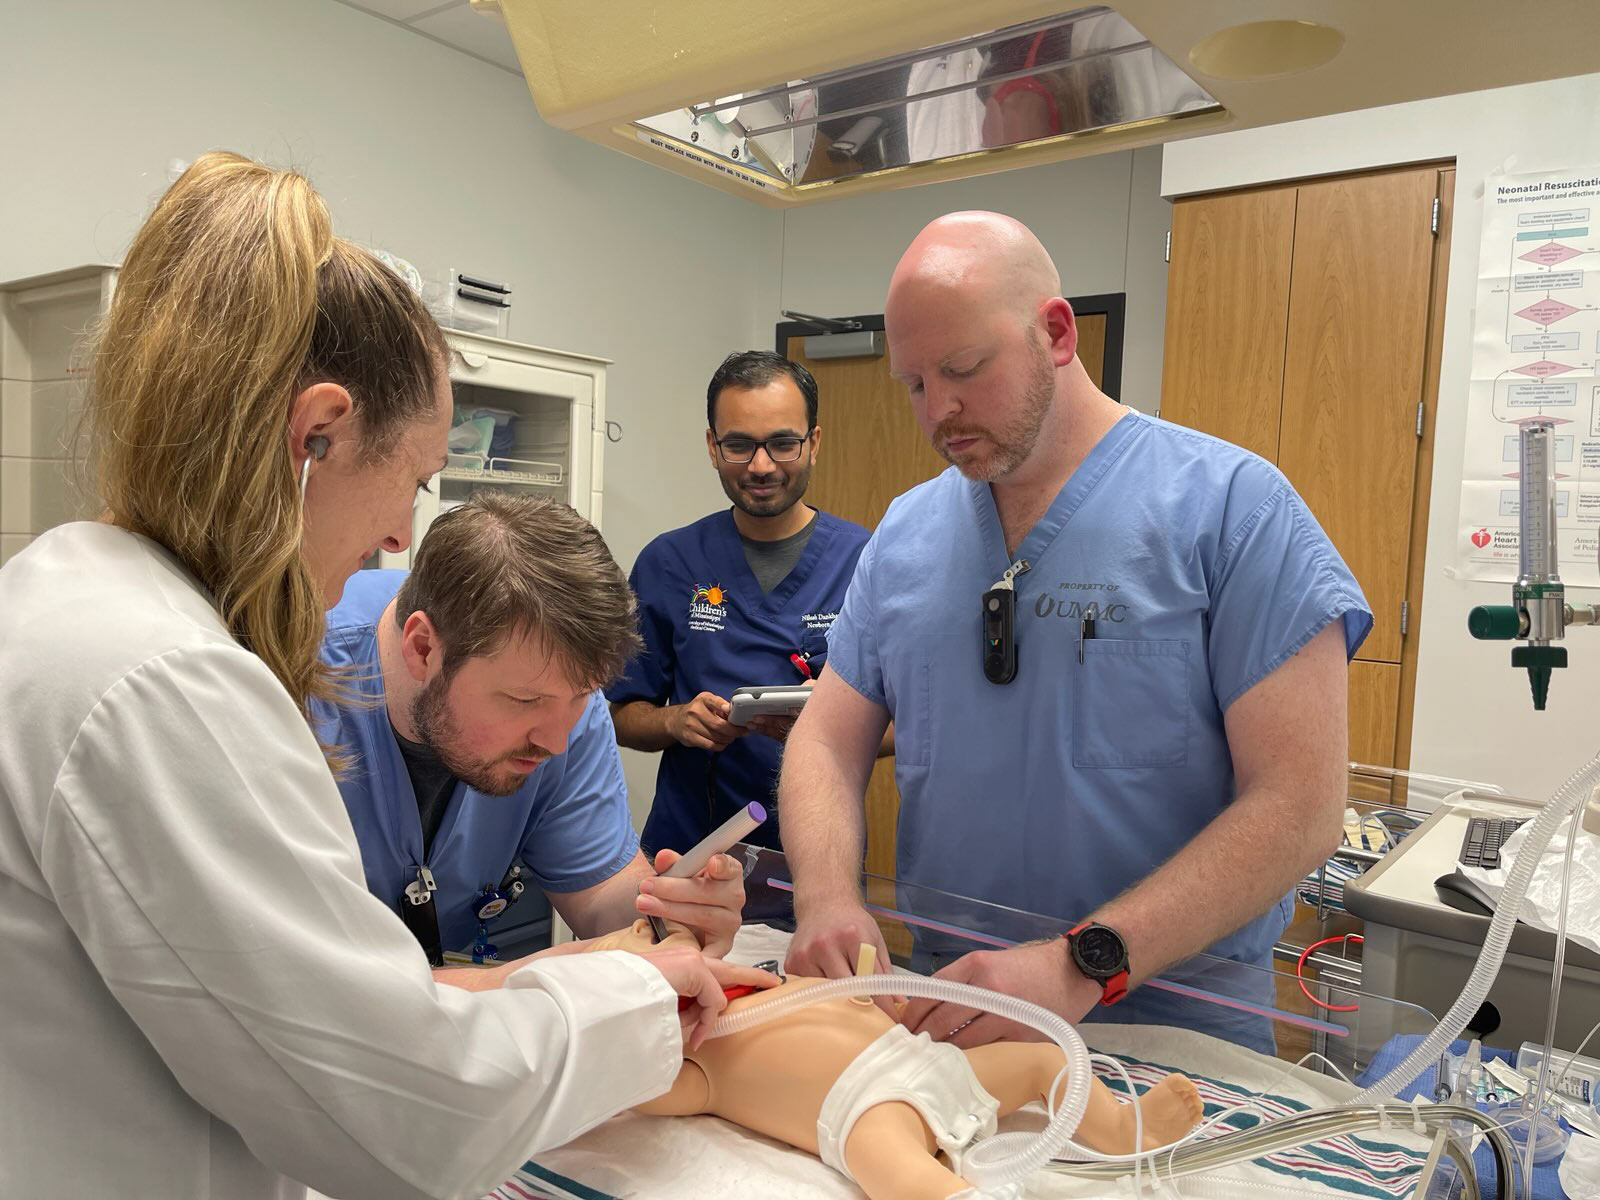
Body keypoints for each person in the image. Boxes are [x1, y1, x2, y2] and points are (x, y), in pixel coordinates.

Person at [0, 151, 770, 1200]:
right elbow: (403, 1111)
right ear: (314, 435)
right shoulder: (167, 683)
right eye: (410, 477)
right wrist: (636, 996)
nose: (404, 530)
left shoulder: (64, 596)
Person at [781, 211, 1372, 1047]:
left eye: (962, 368)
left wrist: (1081, 963)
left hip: (1171, 1020)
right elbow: (824, 743)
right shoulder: (908, 534)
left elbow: (1301, 805)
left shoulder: (1233, 511)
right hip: (948, 1005)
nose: (939, 410)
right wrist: (827, 897)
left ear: (1055, 333)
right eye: (913, 385)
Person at [314, 492, 745, 969]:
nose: (556, 743)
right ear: (422, 649)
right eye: (524, 701)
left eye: (582, 696)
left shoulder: (565, 703)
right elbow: (297, 978)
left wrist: (672, 919)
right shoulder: (293, 682)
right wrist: (549, 975)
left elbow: (601, 893)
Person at [588, 919, 1204, 1200]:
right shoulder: (693, 1051)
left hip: (926, 1059)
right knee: (895, 1173)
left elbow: (849, 999)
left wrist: (866, 985)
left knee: (1043, 1060)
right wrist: (625, 1046)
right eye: (641, 946)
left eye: (653, 930)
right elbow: (632, 1087)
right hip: (864, 1109)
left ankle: (1123, 1129)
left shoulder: (767, 983)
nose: (665, 939)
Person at [608, 350, 873, 856]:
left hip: (816, 855)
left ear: (813, 443)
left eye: (782, 444)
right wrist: (675, 721)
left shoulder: (865, 562)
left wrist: (829, 721)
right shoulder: (669, 563)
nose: (761, 465)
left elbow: (905, 727)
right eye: (739, 445)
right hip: (689, 852)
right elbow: (619, 714)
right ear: (712, 446)